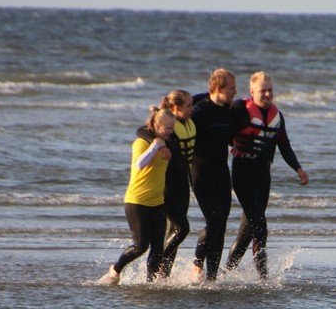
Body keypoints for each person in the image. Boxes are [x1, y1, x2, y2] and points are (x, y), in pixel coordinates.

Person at [224, 71, 309, 280]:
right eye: (263, 91)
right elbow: (220, 130)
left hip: (263, 176)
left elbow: (285, 146)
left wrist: (298, 168)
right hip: (242, 173)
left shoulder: (276, 116)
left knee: (247, 233)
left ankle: (225, 274)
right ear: (252, 91)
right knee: (260, 226)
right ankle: (264, 279)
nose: (268, 94)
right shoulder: (238, 109)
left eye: (270, 90)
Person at [99, 96, 179, 284]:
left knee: (158, 247)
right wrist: (154, 147)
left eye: (172, 128)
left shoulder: (166, 142)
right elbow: (140, 164)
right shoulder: (142, 143)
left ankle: (151, 284)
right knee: (141, 246)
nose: (170, 132)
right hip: (137, 201)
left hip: (157, 201)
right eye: (167, 128)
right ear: (157, 126)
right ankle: (115, 269)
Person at [188, 69, 238, 282]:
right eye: (231, 88)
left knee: (222, 224)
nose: (235, 92)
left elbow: (230, 135)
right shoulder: (198, 110)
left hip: (221, 171)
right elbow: (170, 122)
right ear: (218, 88)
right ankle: (197, 263)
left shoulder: (230, 110)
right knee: (215, 220)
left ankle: (212, 278)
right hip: (200, 171)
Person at [157, 89, 195, 277]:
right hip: (167, 185)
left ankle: (163, 275)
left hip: (183, 184)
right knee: (182, 228)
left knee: (174, 230)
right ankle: (158, 262)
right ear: (175, 108)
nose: (192, 109)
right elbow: (143, 130)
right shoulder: (166, 126)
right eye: (188, 106)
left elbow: (208, 96)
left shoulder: (189, 122)